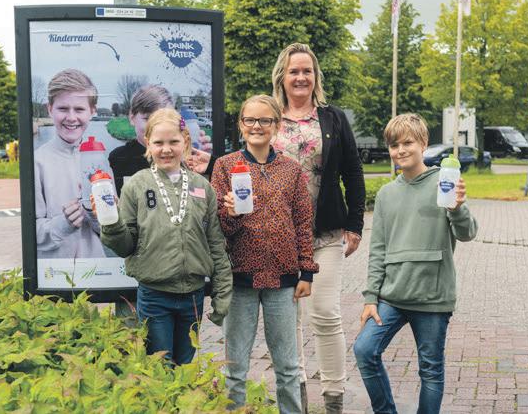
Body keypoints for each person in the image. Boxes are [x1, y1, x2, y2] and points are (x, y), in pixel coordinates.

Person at [353, 114, 478, 414]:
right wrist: (371, 298)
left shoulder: (443, 183)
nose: (400, 150)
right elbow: (378, 250)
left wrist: (457, 208)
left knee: (431, 370)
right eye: (394, 145)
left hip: (432, 297)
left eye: (407, 143)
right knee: (364, 350)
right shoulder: (386, 194)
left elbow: (467, 233)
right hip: (392, 297)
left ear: (423, 144)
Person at [271, 42, 366, 413]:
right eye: (294, 71)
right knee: (288, 320)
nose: (301, 77)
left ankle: (333, 398)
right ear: (282, 76)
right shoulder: (269, 117)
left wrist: (355, 224)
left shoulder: (333, 118)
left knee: (325, 312)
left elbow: (353, 172)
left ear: (315, 76)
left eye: (307, 71)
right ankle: (296, 395)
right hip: (278, 236)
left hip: (325, 233)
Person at [98, 108, 233, 365]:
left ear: (186, 142)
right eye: (159, 143)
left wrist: (222, 291)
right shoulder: (136, 185)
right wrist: (111, 223)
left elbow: (215, 243)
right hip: (155, 295)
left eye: (173, 142)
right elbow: (125, 246)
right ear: (148, 143)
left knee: (184, 366)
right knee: (160, 366)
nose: (166, 149)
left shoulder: (202, 186)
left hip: (193, 296)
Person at [211, 95, 319, 413]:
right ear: (241, 124)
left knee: (287, 366)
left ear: (276, 125)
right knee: (235, 368)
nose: (256, 126)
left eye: (264, 120)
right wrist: (231, 214)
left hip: (283, 280)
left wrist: (306, 271)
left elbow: (303, 222)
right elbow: (218, 227)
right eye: (250, 120)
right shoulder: (225, 166)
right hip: (239, 278)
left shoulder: (291, 169)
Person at [34, 69, 105, 259]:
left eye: (79, 109)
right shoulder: (37, 162)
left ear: (92, 111)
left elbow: (111, 233)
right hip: (54, 272)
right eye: (63, 109)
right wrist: (63, 224)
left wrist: (98, 215)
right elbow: (30, 231)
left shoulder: (101, 160)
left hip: (96, 269)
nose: (71, 117)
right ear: (50, 109)